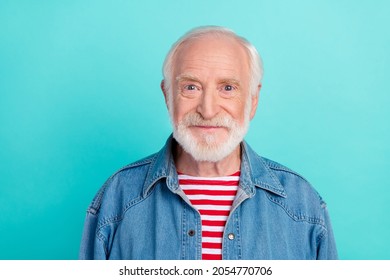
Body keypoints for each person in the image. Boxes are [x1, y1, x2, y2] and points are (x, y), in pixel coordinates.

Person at [79, 26, 338, 260]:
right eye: (191, 87)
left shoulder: (302, 204)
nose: (208, 110)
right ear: (168, 96)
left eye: (227, 88)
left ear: (253, 100)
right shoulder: (117, 198)